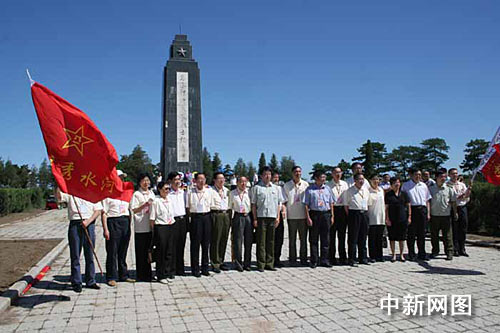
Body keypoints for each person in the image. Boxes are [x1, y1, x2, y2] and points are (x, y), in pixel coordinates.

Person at [56, 189, 102, 293]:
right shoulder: (71, 192)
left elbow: (97, 211)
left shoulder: (93, 192)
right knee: (75, 255)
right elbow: (59, 198)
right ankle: (76, 282)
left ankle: (91, 280)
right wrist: (58, 184)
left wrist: (88, 221)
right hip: (75, 224)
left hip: (89, 224)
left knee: (90, 254)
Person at [101, 170, 134, 287]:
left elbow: (130, 210)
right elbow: (104, 213)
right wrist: (105, 229)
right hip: (113, 221)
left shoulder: (126, 193)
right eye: (119, 177)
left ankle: (123, 275)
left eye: (122, 178)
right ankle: (111, 276)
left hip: (125, 222)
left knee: (123, 250)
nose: (121, 180)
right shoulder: (108, 194)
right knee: (112, 251)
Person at [251, 166, 282, 272]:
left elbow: (279, 204)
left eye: (269, 174)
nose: (268, 176)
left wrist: (278, 217)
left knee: (271, 241)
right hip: (261, 217)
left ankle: (270, 263)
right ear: (261, 176)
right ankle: (261, 264)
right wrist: (254, 219)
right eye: (265, 174)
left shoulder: (276, 188)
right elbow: (254, 205)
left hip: (272, 217)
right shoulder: (256, 188)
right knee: (261, 242)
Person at [303, 170, 336, 268]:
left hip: (326, 214)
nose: (324, 179)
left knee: (325, 239)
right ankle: (314, 260)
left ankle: (324, 260)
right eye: (322, 177)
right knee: (314, 239)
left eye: (325, 177)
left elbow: (331, 203)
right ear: (316, 178)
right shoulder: (309, 189)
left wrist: (332, 216)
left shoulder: (328, 189)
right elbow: (305, 204)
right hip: (314, 215)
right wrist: (308, 217)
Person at [187, 173, 214, 277]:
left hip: (206, 217)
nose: (201, 181)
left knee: (206, 244)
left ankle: (205, 268)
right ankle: (195, 269)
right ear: (195, 181)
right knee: (195, 244)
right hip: (195, 218)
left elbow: (211, 204)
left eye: (203, 179)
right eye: (199, 179)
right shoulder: (190, 191)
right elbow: (187, 206)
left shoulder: (209, 191)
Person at [130, 173, 156, 282]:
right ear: (140, 182)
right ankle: (140, 274)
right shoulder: (136, 194)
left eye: (147, 180)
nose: (146, 183)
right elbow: (133, 209)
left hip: (151, 226)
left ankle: (148, 273)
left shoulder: (152, 193)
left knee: (149, 251)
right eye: (143, 181)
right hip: (140, 226)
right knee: (141, 251)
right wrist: (144, 205)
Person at [401, 169, 431, 261]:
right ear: (411, 175)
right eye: (416, 174)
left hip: (422, 210)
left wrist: (428, 213)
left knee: (422, 234)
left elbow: (427, 200)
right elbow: (403, 200)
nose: (418, 176)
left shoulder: (424, 185)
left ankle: (422, 253)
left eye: (419, 174)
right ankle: (411, 253)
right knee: (411, 234)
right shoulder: (406, 185)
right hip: (412, 210)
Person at [282, 165, 309, 266]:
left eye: (299, 172)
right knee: (292, 239)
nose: (298, 174)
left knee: (303, 239)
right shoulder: (287, 185)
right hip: (291, 216)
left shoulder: (306, 184)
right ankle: (292, 259)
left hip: (303, 216)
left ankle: (303, 259)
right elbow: (284, 201)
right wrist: (284, 211)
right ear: (292, 173)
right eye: (295, 172)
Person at [149, 181, 176, 283]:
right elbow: (152, 218)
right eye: (165, 189)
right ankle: (160, 275)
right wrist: (154, 231)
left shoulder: (169, 199)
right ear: (159, 189)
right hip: (160, 227)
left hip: (170, 225)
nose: (167, 191)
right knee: (161, 251)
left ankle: (167, 272)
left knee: (169, 251)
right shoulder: (156, 201)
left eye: (168, 189)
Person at [429, 170, 458, 261]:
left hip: (446, 215)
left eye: (445, 177)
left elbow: (453, 202)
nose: (443, 179)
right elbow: (428, 202)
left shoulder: (449, 188)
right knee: (434, 235)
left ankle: (449, 252)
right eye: (441, 177)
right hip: (434, 215)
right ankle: (435, 251)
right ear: (436, 178)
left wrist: (455, 212)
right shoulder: (431, 188)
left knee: (448, 235)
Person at [343, 173, 370, 267]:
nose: (361, 181)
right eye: (359, 179)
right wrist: (351, 215)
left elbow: (368, 203)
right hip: (354, 214)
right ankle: (352, 258)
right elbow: (346, 205)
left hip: (364, 214)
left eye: (363, 179)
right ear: (355, 180)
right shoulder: (349, 191)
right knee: (353, 237)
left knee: (363, 237)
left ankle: (363, 258)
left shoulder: (366, 190)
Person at [229, 176, 252, 271]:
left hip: (248, 217)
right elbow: (230, 207)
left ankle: (247, 263)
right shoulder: (232, 193)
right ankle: (238, 263)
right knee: (238, 241)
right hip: (238, 216)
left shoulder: (249, 193)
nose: (243, 184)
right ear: (237, 183)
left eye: (245, 182)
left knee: (248, 241)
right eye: (241, 182)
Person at [385, 177, 411, 262]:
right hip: (392, 219)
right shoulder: (388, 195)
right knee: (392, 238)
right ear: (391, 185)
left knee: (402, 238)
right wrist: (387, 218)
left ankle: (402, 254)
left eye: (398, 182)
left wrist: (409, 216)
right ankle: (393, 255)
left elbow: (408, 205)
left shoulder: (404, 194)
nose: (397, 184)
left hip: (402, 218)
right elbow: (386, 208)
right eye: (395, 183)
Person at [167, 172, 188, 276]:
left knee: (181, 245)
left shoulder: (183, 193)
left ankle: (180, 269)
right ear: (170, 181)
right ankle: (172, 269)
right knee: (172, 246)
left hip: (182, 220)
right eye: (175, 179)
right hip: (173, 221)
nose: (177, 181)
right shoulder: (168, 193)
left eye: (179, 179)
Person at [327, 166, 349, 265]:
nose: (338, 174)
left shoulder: (345, 184)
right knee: (331, 235)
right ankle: (331, 257)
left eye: (339, 172)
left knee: (342, 235)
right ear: (332, 174)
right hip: (333, 209)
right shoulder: (328, 185)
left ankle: (343, 257)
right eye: (336, 172)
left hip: (342, 210)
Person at [447, 168, 471, 257]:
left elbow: (466, 196)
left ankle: (462, 248)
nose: (455, 175)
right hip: (453, 208)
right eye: (453, 174)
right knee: (454, 229)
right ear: (449, 175)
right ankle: (455, 249)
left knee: (463, 228)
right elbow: (448, 198)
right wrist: (457, 197)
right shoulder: (447, 185)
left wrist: (469, 190)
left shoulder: (462, 184)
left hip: (462, 207)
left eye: (456, 173)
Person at [210, 172, 231, 273]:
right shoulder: (210, 191)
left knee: (224, 238)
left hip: (226, 214)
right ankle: (215, 262)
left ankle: (221, 260)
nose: (222, 181)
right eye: (219, 179)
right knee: (216, 239)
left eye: (223, 179)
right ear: (214, 180)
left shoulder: (227, 190)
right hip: (216, 214)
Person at [367, 175, 386, 263]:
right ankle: (372, 256)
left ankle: (380, 255)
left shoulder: (381, 190)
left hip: (381, 217)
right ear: (370, 181)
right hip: (372, 218)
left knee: (380, 238)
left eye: (377, 179)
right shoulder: (368, 191)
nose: (376, 181)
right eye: (374, 179)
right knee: (372, 238)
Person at [272, 171, 286, 268]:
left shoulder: (280, 189)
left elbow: (283, 202)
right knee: (270, 239)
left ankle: (277, 258)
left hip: (279, 215)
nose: (276, 179)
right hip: (269, 214)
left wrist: (284, 210)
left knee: (279, 239)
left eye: (277, 177)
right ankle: (270, 258)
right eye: (274, 177)